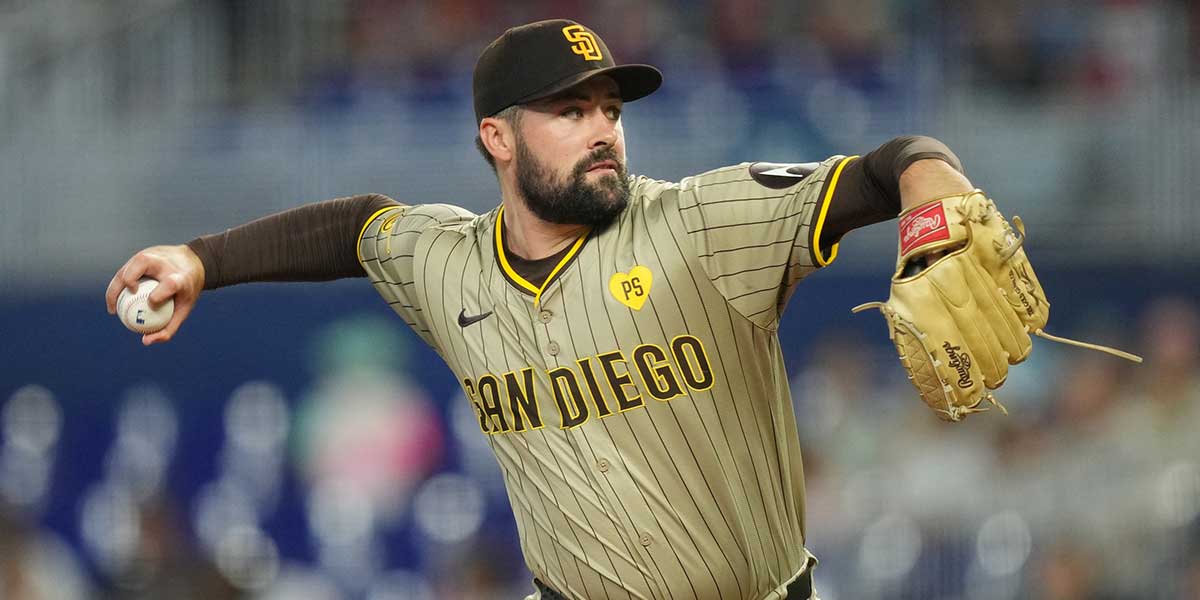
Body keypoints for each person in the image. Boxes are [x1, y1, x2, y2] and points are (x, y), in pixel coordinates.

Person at [106, 19, 982, 600]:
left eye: (610, 108)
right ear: (498, 136)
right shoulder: (447, 263)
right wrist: (200, 261)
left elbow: (885, 165)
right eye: (570, 110)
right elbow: (351, 229)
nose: (603, 128)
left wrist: (932, 178)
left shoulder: (702, 223)